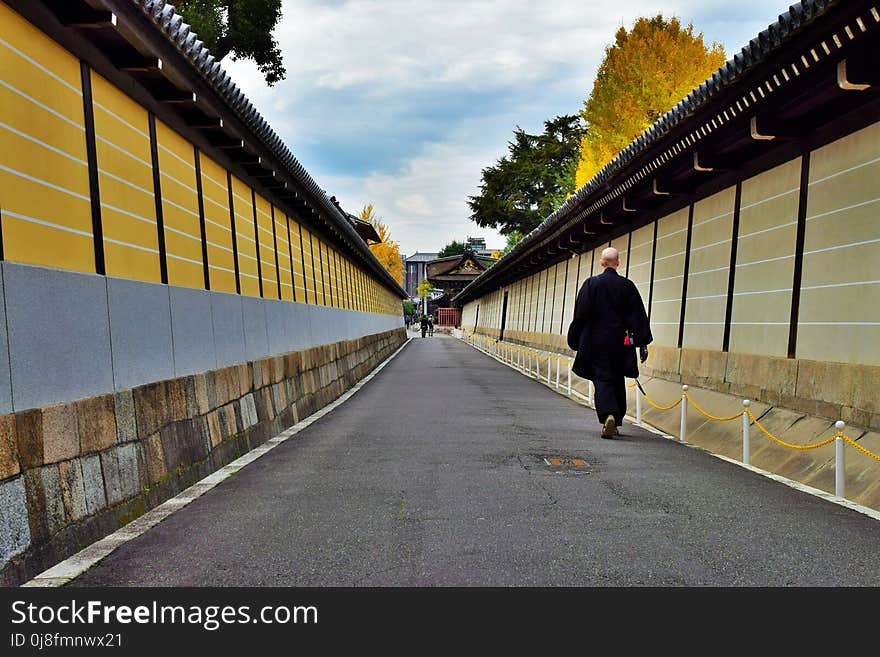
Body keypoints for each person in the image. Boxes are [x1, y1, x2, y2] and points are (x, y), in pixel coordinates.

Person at [567, 247, 652, 439]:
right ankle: (617, 418)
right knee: (617, 378)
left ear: (602, 263)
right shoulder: (627, 286)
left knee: (602, 379)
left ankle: (609, 414)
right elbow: (638, 316)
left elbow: (581, 314)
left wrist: (575, 338)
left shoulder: (591, 284)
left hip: (596, 342)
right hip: (621, 342)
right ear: (618, 263)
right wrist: (642, 343)